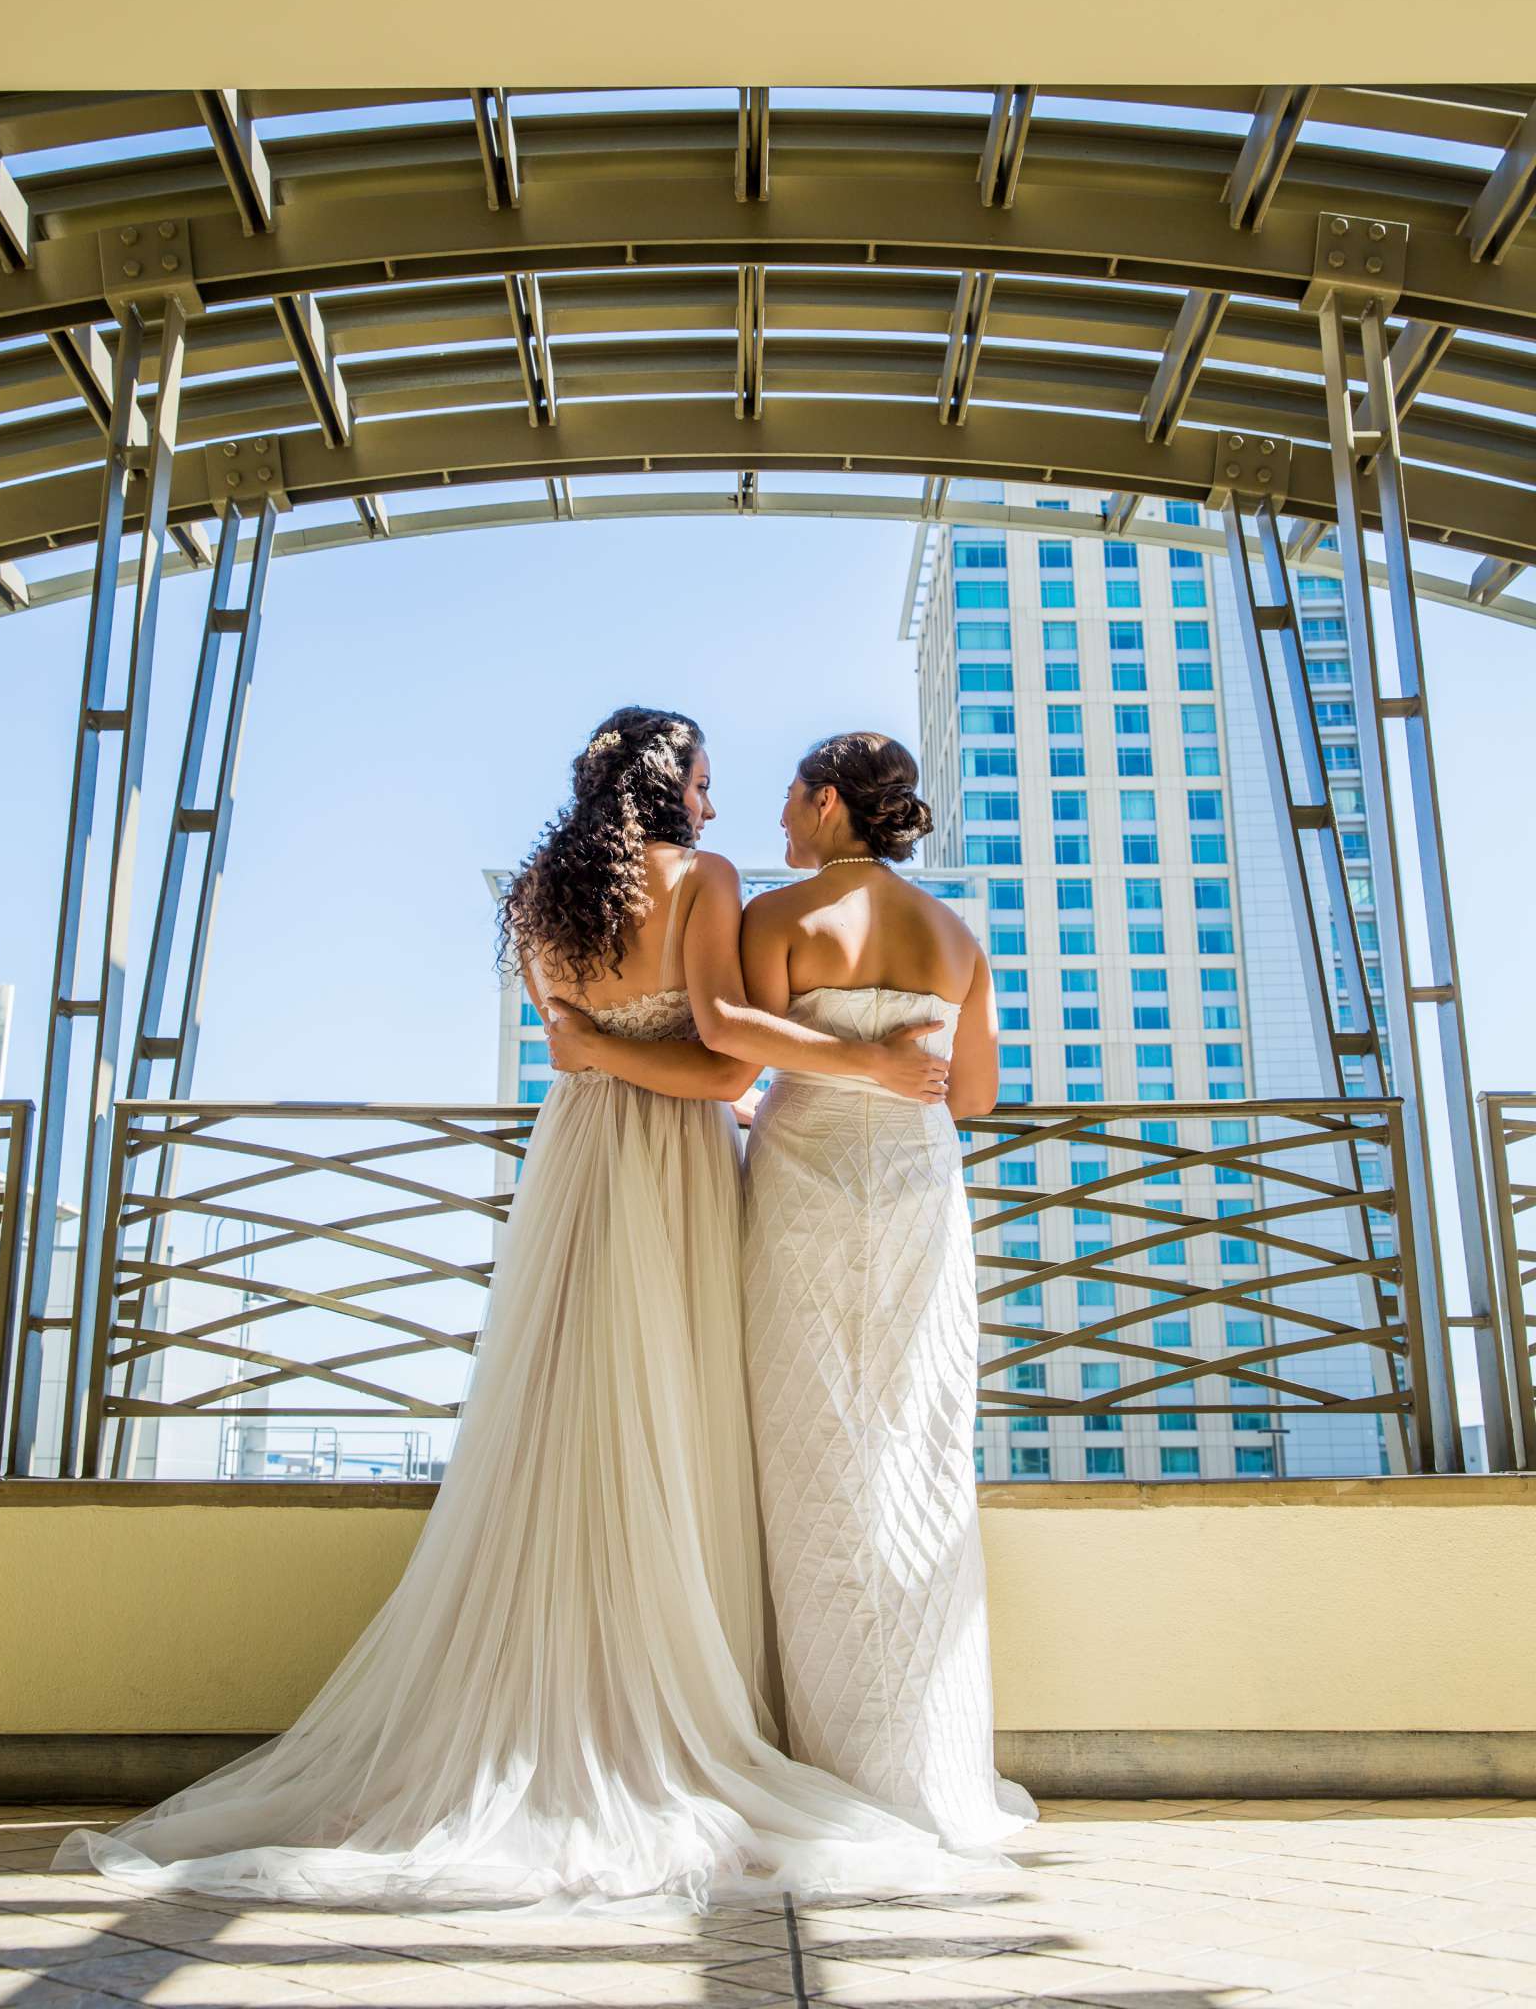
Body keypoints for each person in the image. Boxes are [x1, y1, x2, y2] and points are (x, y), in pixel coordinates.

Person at [52, 707, 1025, 1913]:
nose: (734, 808)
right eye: (713, 782)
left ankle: (594, 1705)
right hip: (798, 1174)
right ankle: (834, 1738)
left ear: (827, 802)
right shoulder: (789, 898)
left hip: (595, 1161)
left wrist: (594, 1049)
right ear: (673, 788)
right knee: (782, 1428)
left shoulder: (553, 900)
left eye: (763, 787)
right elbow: (843, 1077)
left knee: (599, 1411)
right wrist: (879, 1064)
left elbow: (642, 1044)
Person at [553, 731, 1038, 1855]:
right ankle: (926, 1763)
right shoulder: (959, 938)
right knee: (916, 1446)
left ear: (827, 803)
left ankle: (817, 1751)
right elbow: (971, 1096)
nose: (770, 820)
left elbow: (731, 1043)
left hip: (805, 1190)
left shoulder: (775, 918)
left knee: (807, 1448)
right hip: (919, 1197)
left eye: (784, 799)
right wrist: (888, 1064)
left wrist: (834, 1060)